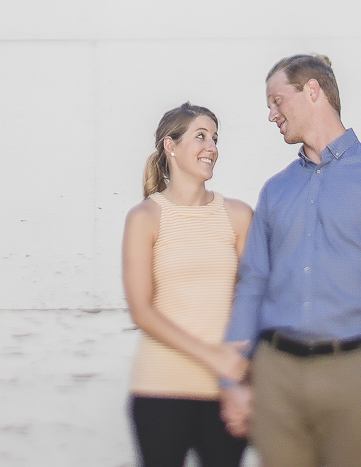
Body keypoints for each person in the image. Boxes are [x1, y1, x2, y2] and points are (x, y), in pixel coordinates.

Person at [220, 55, 361, 467]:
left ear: (312, 91)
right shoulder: (275, 191)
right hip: (276, 378)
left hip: (355, 373)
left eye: (277, 101)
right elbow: (253, 285)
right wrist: (231, 379)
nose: (271, 114)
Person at [123, 102, 256, 467]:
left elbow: (254, 299)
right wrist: (214, 357)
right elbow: (141, 311)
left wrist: (246, 378)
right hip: (159, 390)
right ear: (170, 145)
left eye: (215, 138)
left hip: (226, 392)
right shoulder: (144, 217)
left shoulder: (239, 215)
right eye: (200, 136)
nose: (211, 146)